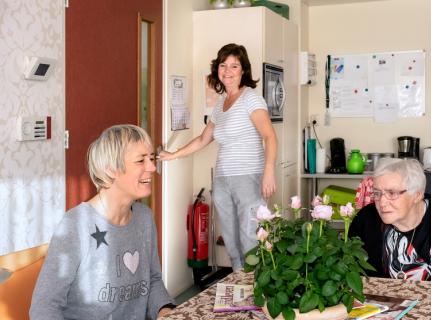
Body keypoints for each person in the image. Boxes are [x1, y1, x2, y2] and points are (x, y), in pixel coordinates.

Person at [30, 125, 175, 319]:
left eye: (151, 158)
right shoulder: (76, 224)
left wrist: (164, 310)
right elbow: (43, 308)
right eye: (141, 160)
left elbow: (153, 280)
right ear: (111, 169)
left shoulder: (144, 218)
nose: (152, 167)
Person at [159, 43, 277, 271]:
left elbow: (270, 137)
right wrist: (174, 155)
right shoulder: (221, 104)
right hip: (223, 179)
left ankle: (257, 294)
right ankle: (238, 287)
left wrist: (269, 171)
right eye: (223, 65)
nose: (228, 71)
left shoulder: (251, 99)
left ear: (244, 70)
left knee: (250, 238)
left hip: (248, 177)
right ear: (217, 69)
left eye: (234, 66)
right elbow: (204, 139)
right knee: (231, 240)